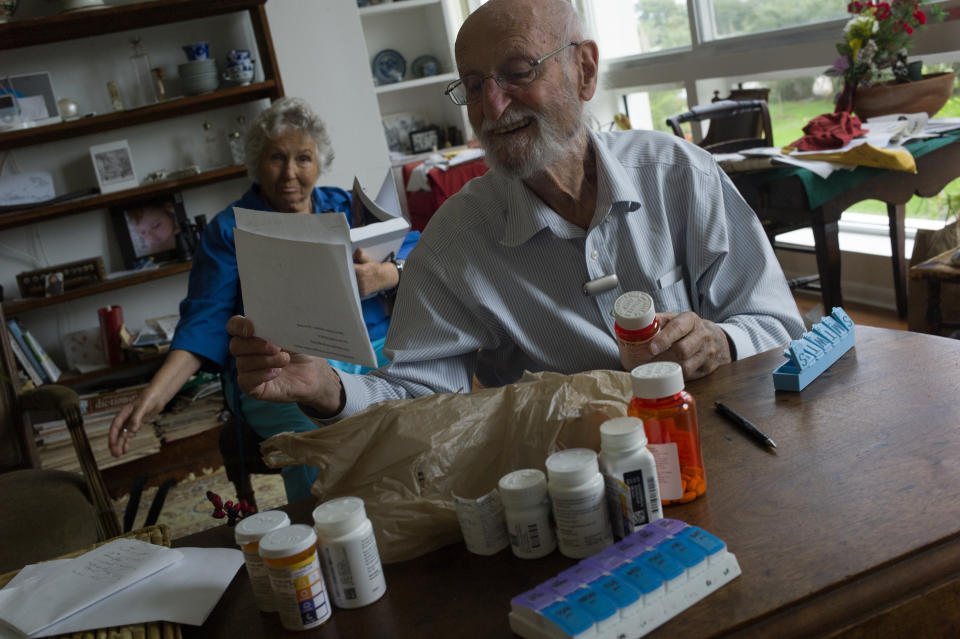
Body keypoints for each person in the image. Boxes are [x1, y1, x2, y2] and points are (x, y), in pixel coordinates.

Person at [226, 0, 804, 423]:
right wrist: (327, 386)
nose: (492, 105)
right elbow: (414, 394)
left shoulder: (678, 175)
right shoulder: (457, 240)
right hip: (582, 479)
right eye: (473, 85)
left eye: (518, 72)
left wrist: (722, 343)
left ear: (584, 70)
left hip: (727, 429)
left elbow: (777, 324)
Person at [109, 97, 419, 502]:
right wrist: (157, 394)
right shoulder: (229, 228)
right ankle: (323, 535)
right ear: (257, 162)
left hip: (372, 348)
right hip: (278, 366)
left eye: (303, 158)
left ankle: (410, 516)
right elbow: (205, 320)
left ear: (320, 162)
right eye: (277, 158)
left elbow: (419, 254)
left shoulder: (347, 207)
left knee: (415, 414)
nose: (290, 173)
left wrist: (384, 275)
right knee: (316, 444)